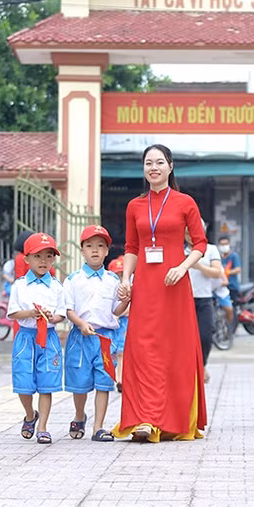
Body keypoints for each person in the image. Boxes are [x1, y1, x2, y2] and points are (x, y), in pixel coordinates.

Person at [113, 144, 208, 442]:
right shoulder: (135, 206)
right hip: (145, 287)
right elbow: (132, 247)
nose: (153, 168)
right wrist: (126, 280)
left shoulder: (185, 202)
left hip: (174, 285)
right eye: (148, 163)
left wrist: (182, 267)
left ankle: (171, 419)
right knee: (142, 350)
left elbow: (201, 244)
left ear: (170, 166)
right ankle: (144, 418)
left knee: (173, 352)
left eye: (159, 162)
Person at [63, 225, 130, 442]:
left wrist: (127, 300)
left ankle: (98, 427)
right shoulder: (73, 279)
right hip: (80, 336)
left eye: (100, 246)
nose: (95, 250)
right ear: (82, 250)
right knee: (80, 382)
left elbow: (116, 311)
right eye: (90, 246)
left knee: (104, 382)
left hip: (105, 340)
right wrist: (81, 323)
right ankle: (79, 415)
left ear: (107, 251)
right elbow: (68, 309)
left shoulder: (112, 280)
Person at [7, 232, 66, 444]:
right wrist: (30, 314)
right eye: (38, 256)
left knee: (46, 383)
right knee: (23, 383)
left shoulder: (58, 287)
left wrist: (53, 317)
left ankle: (43, 427)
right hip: (26, 338)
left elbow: (62, 314)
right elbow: (13, 313)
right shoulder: (20, 286)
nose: (43, 261)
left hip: (48, 338)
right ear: (26, 259)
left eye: (49, 256)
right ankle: (30, 415)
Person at [187, 220, 224, 383]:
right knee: (185, 339)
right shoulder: (178, 250)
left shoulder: (211, 249)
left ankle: (202, 365)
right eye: (186, 231)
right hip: (184, 300)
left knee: (205, 336)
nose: (190, 235)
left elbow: (217, 273)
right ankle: (189, 369)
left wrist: (198, 266)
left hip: (204, 299)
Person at [108, 256, 128, 392]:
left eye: (121, 274)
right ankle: (114, 375)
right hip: (111, 325)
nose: (119, 277)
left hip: (124, 324)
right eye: (117, 274)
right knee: (112, 352)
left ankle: (120, 378)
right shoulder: (108, 289)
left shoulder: (128, 289)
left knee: (122, 352)